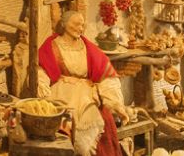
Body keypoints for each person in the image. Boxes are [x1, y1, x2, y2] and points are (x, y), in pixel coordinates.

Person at [37, 10, 129, 156]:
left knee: (102, 120)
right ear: (64, 24)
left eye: (82, 25)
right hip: (62, 92)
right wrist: (42, 91)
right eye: (76, 24)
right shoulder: (52, 46)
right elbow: (42, 70)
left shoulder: (87, 47)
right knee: (65, 120)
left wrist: (115, 103)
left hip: (87, 93)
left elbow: (106, 75)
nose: (80, 28)